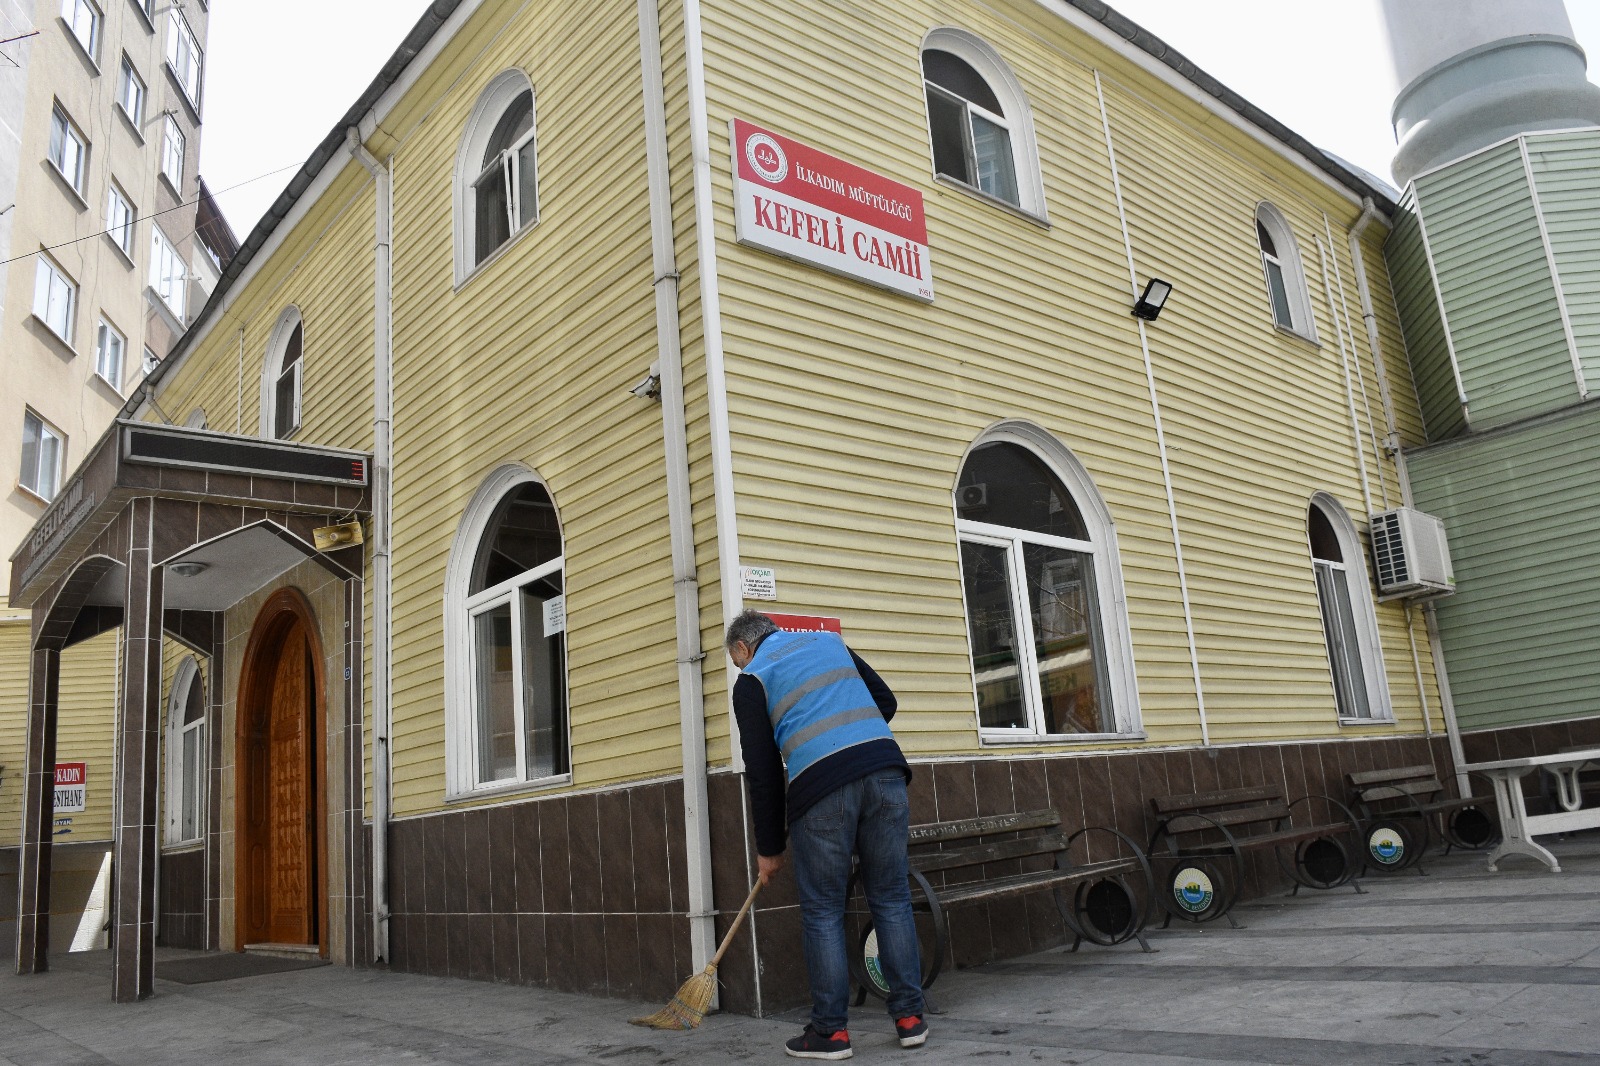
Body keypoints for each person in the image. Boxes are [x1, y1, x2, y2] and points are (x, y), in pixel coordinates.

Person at [725, 609, 927, 1060]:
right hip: (886, 773)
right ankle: (911, 1018)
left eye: (736, 661)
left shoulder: (752, 679)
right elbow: (885, 702)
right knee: (892, 897)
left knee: (822, 912)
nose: (740, 668)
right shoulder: (828, 644)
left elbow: (762, 772)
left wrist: (769, 849)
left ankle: (830, 1033)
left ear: (742, 649)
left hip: (822, 791)